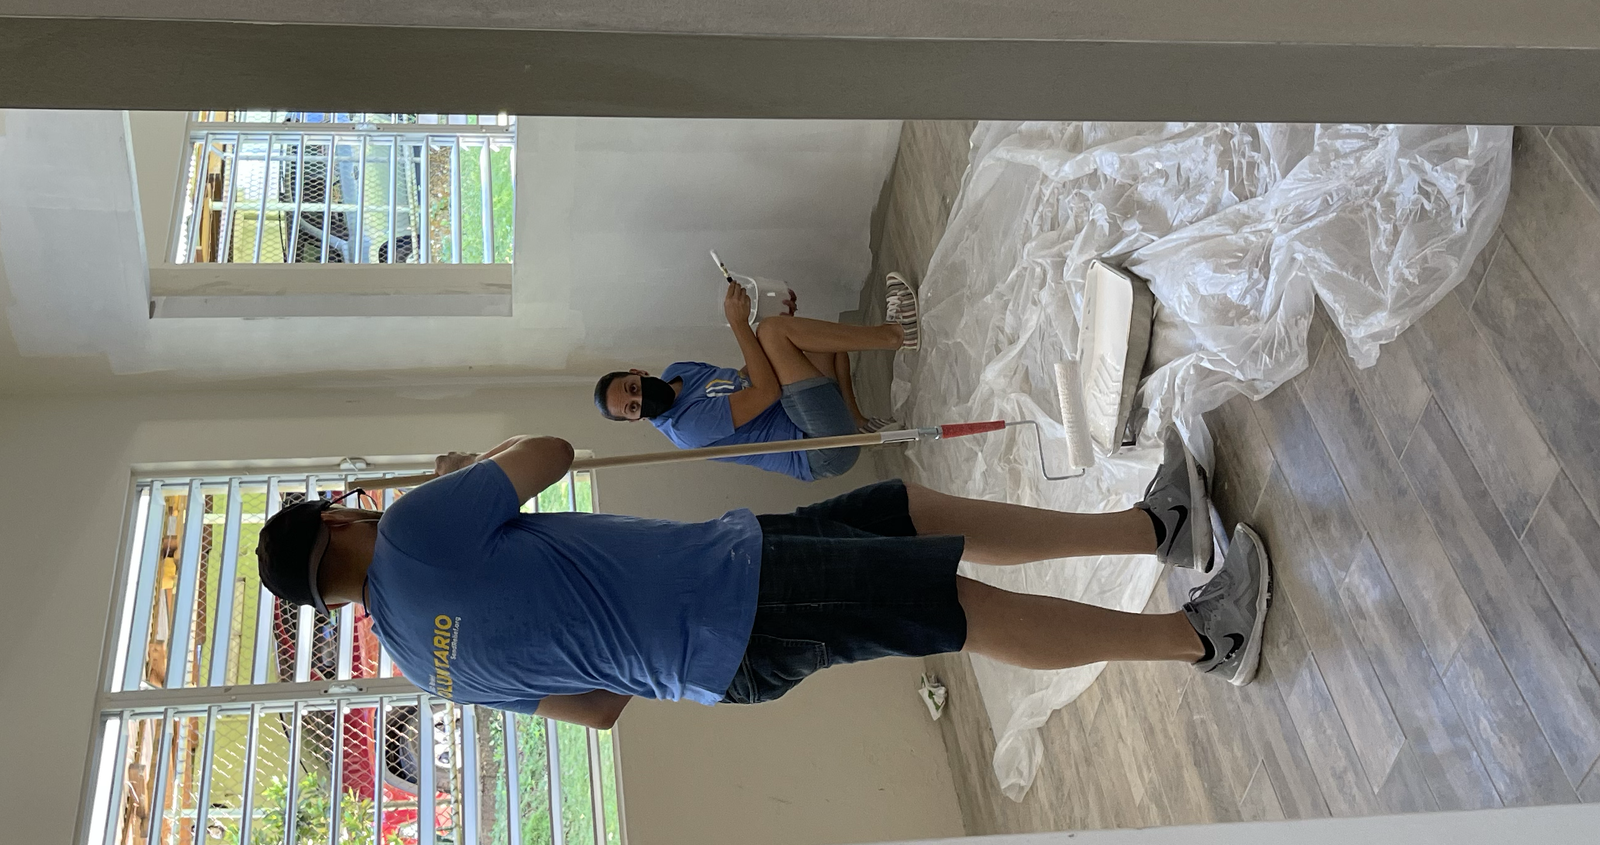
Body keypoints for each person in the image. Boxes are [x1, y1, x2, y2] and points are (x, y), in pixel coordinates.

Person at [253, 429, 1264, 730]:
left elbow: (599, 710)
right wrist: (464, 471)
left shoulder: (424, 668)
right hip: (738, 595)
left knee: (906, 512)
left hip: (728, 620)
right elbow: (550, 451)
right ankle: (1202, 638)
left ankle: (1151, 528)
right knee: (953, 607)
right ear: (339, 518)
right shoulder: (413, 531)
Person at [592, 272, 921, 481]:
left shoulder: (679, 372)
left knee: (822, 342)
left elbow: (745, 379)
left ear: (637, 373)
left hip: (804, 417)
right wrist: (744, 327)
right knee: (773, 333)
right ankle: (896, 334)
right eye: (633, 407)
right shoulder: (687, 428)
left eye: (632, 388)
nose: (641, 398)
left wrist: (789, 330)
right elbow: (767, 392)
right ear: (635, 420)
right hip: (819, 448)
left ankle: (858, 423)